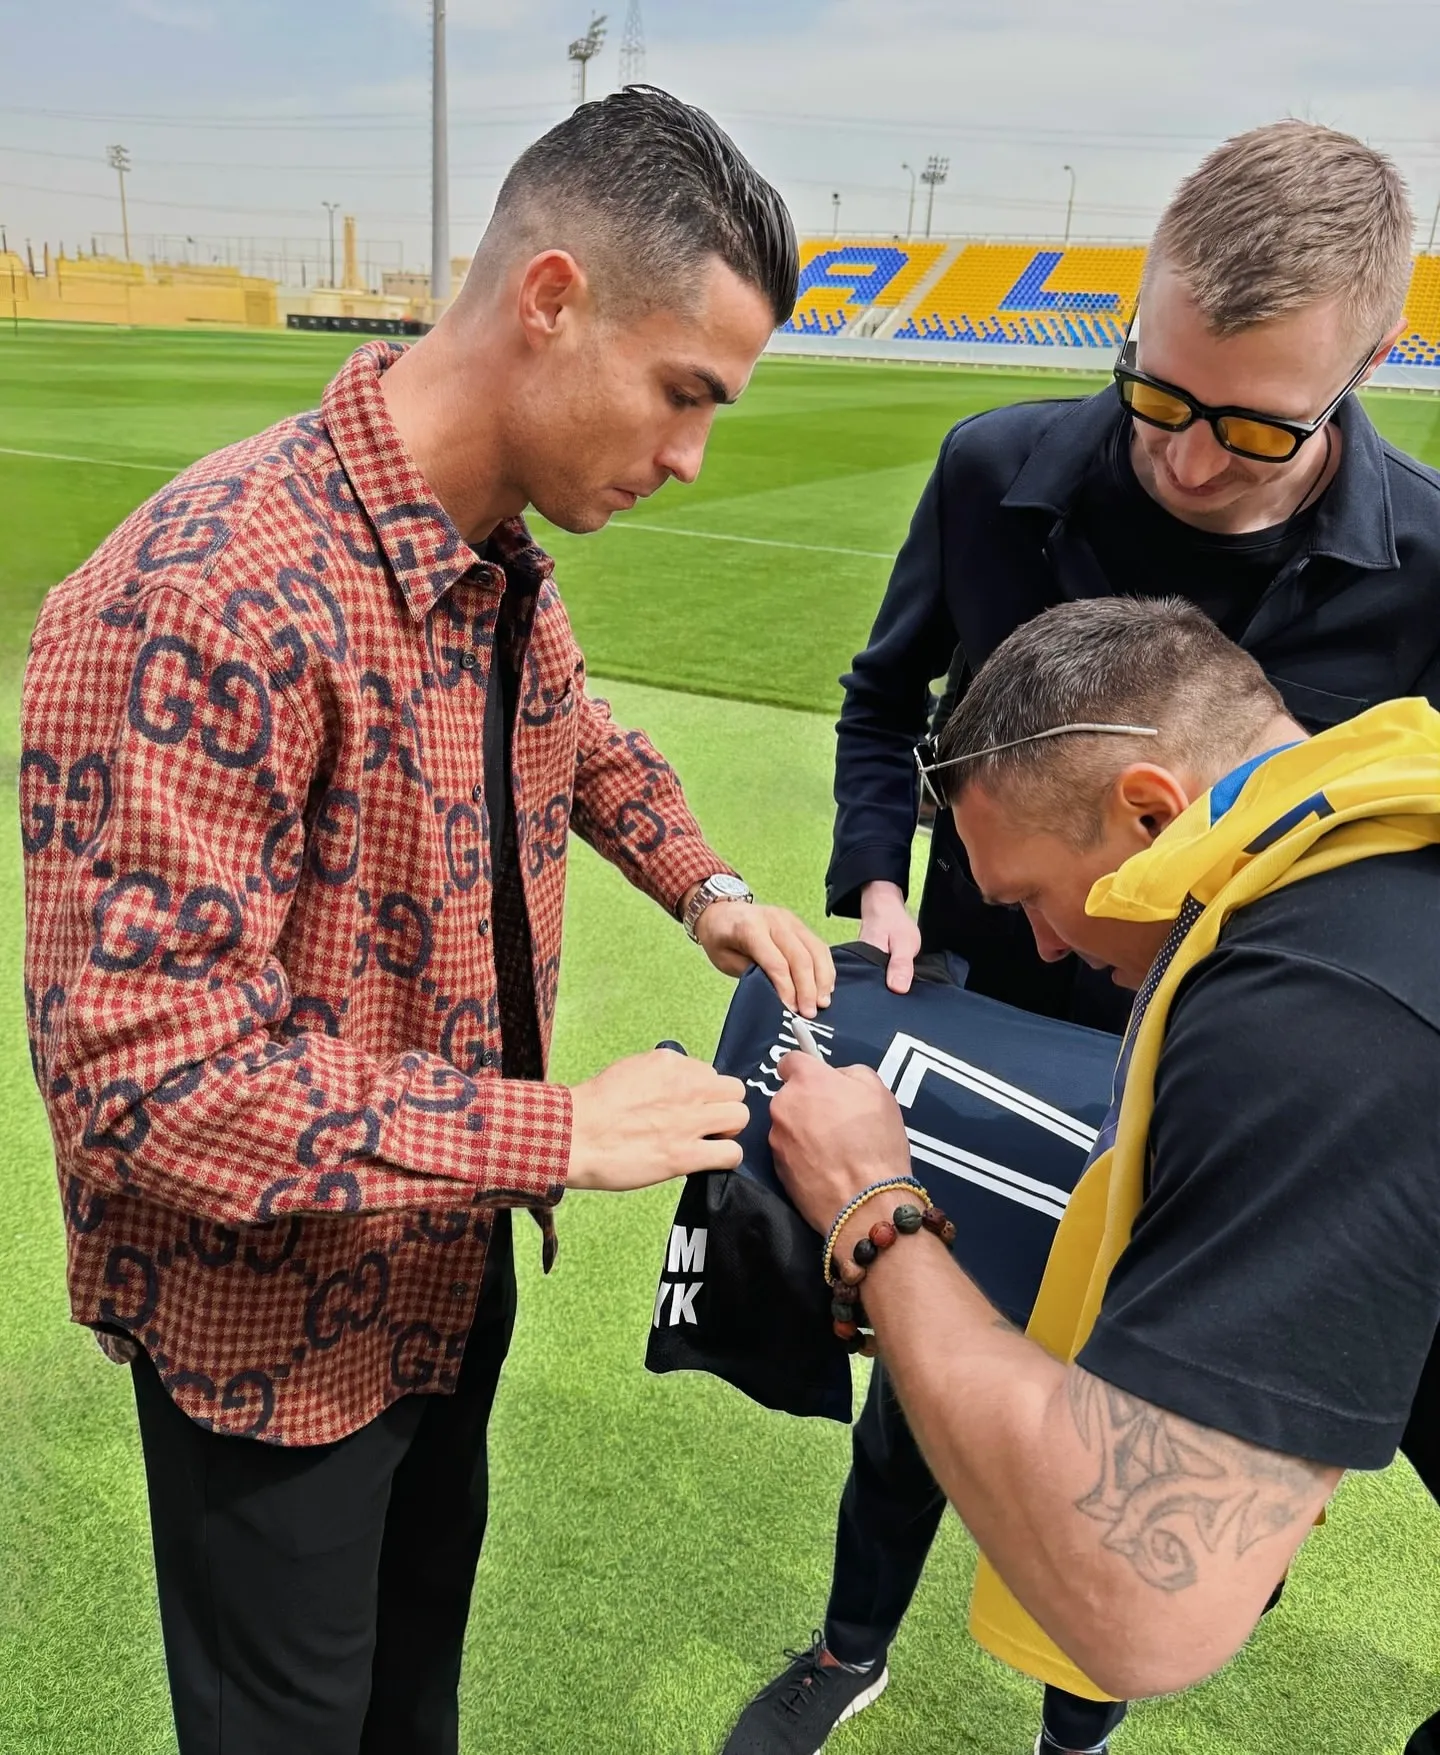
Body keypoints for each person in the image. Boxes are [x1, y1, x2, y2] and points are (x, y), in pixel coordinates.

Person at [20, 87, 836, 1755]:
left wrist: (708, 885)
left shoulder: (481, 550)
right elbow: (149, 1086)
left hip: (435, 1283)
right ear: (552, 301)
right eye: (685, 393)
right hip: (267, 1350)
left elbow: (569, 726)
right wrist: (560, 1132)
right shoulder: (204, 595)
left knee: (413, 1714)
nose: (691, 457)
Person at [723, 121, 1440, 1755]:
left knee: (1133, 1420)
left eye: (1253, 424)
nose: (1188, 462)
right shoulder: (997, 468)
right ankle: (852, 1648)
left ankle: (1073, 1734)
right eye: (1157, 395)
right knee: (935, 1383)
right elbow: (880, 698)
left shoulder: (1429, 579)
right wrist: (886, 880)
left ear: (1371, 362)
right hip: (993, 1021)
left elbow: (1149, 1566)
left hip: (1226, 1076)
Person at [769, 596, 1440, 1755]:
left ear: (1148, 810)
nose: (1041, 947)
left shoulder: (1312, 1010)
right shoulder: (1379, 843)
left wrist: (873, 1207)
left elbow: (1142, 1608)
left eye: (1030, 895)